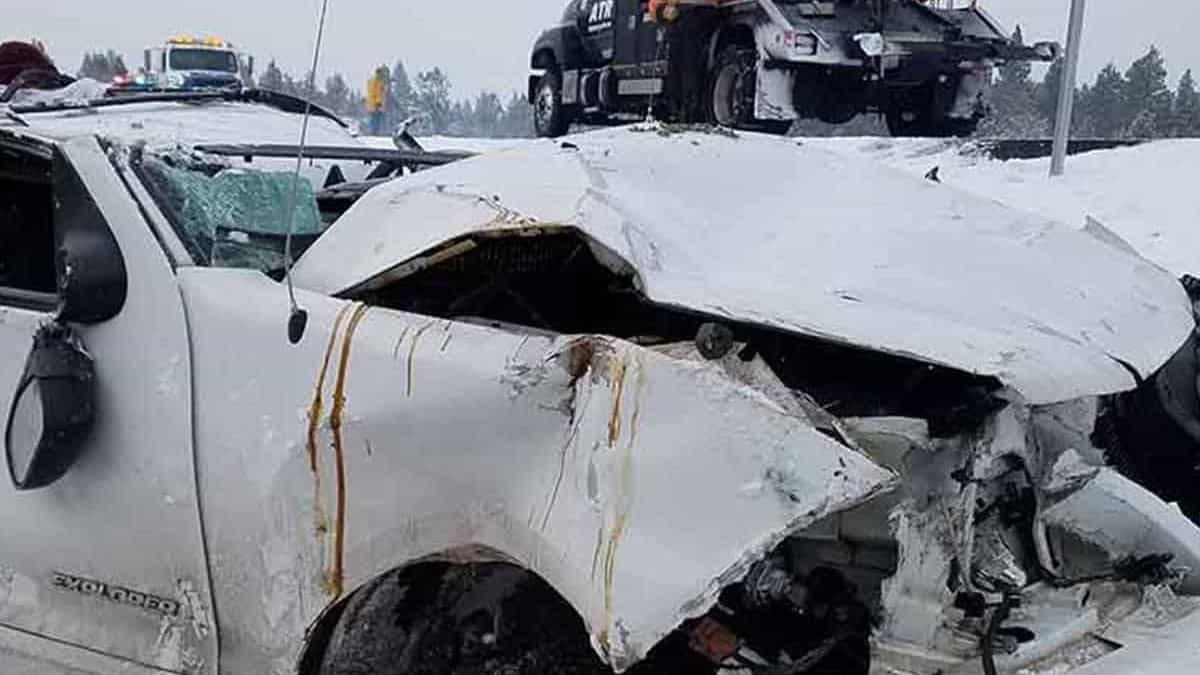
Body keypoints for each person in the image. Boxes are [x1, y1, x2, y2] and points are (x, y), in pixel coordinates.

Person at [365, 68, 388, 136]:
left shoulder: (374, 81)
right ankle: (373, 133)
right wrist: (378, 102)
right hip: (375, 105)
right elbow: (376, 92)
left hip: (373, 104)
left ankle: (374, 133)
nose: (382, 75)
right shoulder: (376, 81)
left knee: (375, 119)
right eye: (381, 74)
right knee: (375, 120)